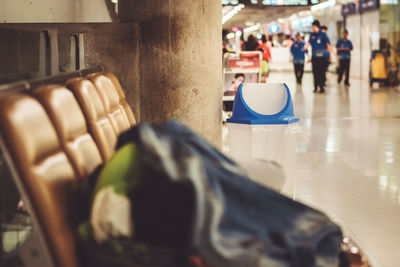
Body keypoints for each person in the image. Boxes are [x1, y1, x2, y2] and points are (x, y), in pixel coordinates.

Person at [303, 20, 333, 93]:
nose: (312, 28)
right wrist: (305, 47)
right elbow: (308, 43)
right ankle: (316, 87)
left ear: (315, 26)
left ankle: (321, 87)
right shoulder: (312, 35)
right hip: (315, 57)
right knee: (315, 72)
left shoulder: (323, 34)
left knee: (322, 72)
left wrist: (330, 55)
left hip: (322, 58)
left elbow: (328, 45)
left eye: (313, 26)